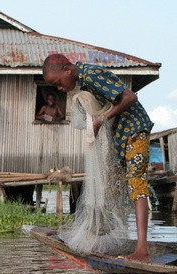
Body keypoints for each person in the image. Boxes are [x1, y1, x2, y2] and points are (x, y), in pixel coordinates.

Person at [42, 53, 154, 262]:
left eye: (58, 83)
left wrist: (101, 120)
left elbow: (129, 97)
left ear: (68, 70)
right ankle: (110, 236)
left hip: (135, 130)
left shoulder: (92, 75)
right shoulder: (85, 83)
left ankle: (142, 251)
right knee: (113, 185)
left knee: (136, 182)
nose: (60, 88)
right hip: (122, 136)